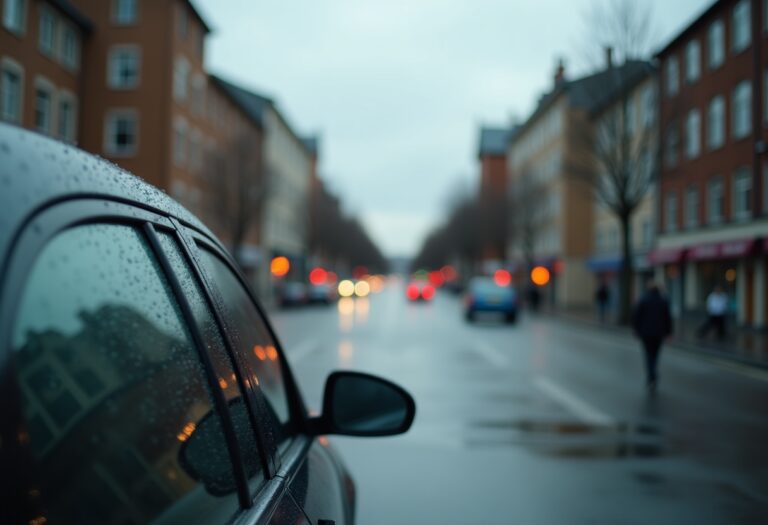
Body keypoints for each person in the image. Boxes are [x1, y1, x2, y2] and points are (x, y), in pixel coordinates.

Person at [632, 280, 673, 392]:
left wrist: (636, 330)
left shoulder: (643, 299)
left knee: (648, 355)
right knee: (655, 355)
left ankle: (651, 375)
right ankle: (653, 373)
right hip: (659, 333)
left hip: (646, 333)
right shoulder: (663, 300)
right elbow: (668, 318)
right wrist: (669, 332)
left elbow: (637, 316)